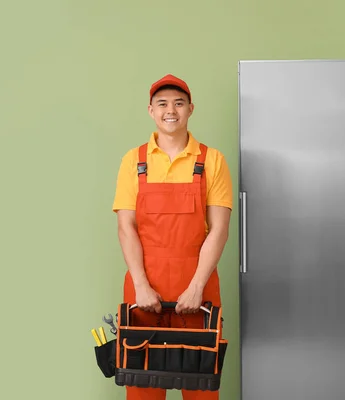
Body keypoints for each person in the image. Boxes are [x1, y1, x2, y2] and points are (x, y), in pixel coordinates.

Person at [112, 74, 233, 400]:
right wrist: (140, 284)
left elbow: (219, 229)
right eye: (163, 103)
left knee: (201, 390)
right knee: (142, 389)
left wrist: (196, 287)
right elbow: (127, 228)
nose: (171, 110)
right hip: (143, 287)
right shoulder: (133, 161)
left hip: (198, 287)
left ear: (190, 109)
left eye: (179, 103)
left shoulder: (212, 161)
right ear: (151, 110)